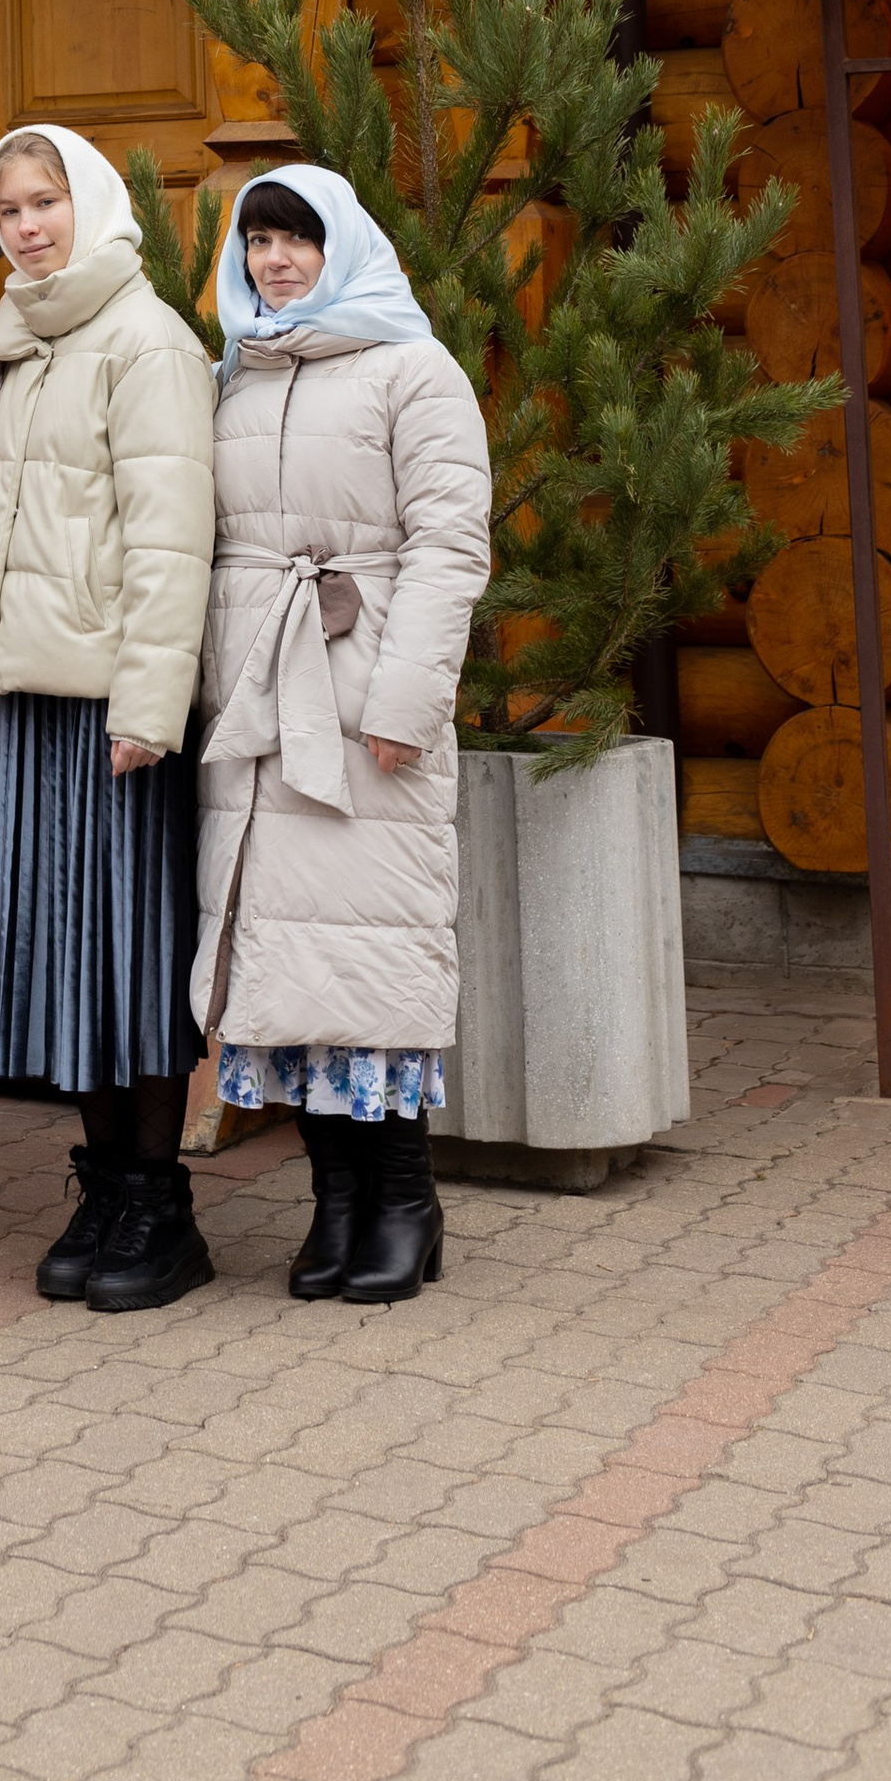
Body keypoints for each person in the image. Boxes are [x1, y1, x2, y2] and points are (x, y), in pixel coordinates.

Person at [196, 167, 492, 1306]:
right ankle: (333, 1205)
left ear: (343, 246)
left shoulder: (412, 370)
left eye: (297, 239)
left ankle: (405, 1204)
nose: (275, 260)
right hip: (259, 710)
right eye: (258, 240)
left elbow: (449, 542)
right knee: (285, 965)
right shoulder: (234, 376)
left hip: (365, 704)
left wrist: (404, 705)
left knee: (371, 953)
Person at [0, 127, 217, 1313]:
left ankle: (160, 1204)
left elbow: (173, 544)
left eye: (44, 202)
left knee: (129, 957)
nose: (26, 226)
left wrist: (149, 707)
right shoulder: (27, 344)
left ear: (92, 203)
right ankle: (105, 1183)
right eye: (8, 209)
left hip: (111, 710)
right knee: (64, 961)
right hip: (24, 700)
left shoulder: (145, 344)